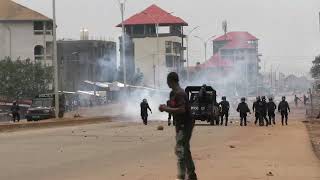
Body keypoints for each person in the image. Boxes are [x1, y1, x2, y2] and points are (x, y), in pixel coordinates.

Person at [159, 72, 197, 180]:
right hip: (179, 124)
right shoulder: (172, 94)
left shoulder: (180, 93)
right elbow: (173, 109)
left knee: (180, 149)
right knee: (184, 149)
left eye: (167, 81)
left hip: (187, 124)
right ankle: (192, 175)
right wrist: (166, 107)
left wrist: (166, 108)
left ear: (172, 81)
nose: (167, 83)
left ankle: (181, 176)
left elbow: (182, 109)